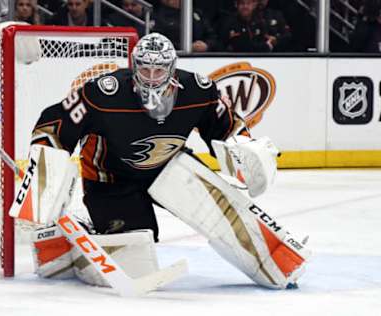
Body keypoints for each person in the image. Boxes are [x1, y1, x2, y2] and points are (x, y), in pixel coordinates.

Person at [20, 32, 309, 290]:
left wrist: (244, 149)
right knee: (135, 261)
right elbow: (53, 126)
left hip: (169, 168)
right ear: (134, 66)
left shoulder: (198, 90)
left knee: (225, 212)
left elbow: (228, 127)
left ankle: (275, 261)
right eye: (144, 68)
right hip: (111, 180)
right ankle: (71, 241)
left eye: (159, 69)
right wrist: (43, 172)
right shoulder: (104, 93)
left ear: (172, 69)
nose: (151, 76)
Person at [152, 0, 218, 51]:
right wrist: (184, 47)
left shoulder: (196, 13)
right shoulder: (156, 15)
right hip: (174, 57)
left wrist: (206, 45)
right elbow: (158, 40)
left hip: (201, 58)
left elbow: (212, 36)